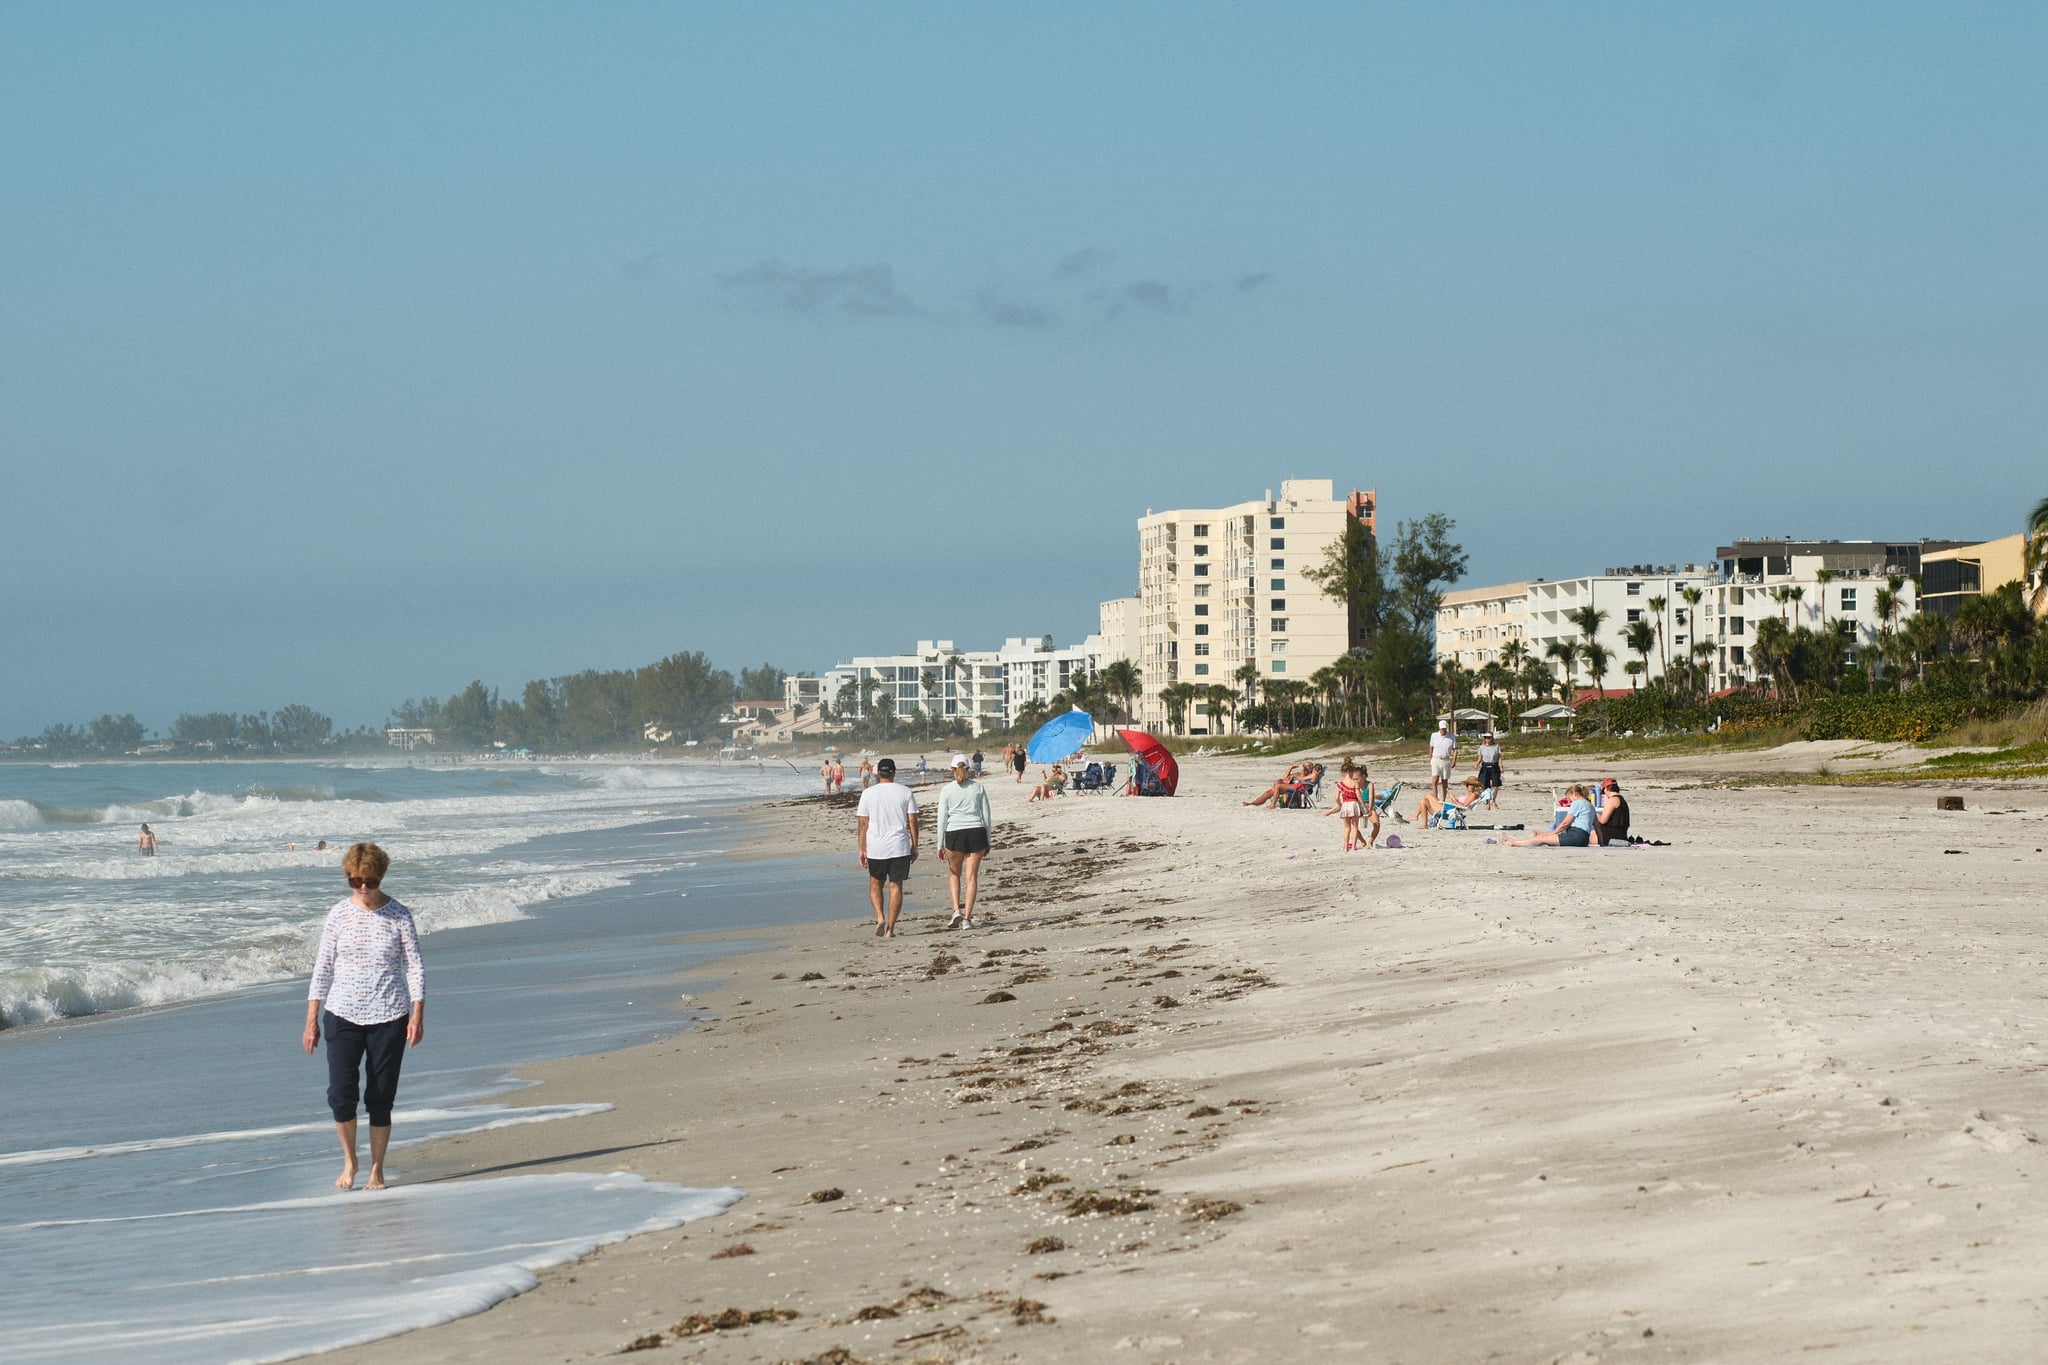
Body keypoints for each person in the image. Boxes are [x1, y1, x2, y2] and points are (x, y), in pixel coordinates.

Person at [302, 842, 424, 1191]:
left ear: (380, 876)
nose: (363, 888)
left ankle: (377, 1169)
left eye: (369, 880)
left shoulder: (399, 915)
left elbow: (414, 967)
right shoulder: (338, 914)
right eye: (355, 881)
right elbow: (322, 968)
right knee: (341, 1095)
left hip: (390, 1014)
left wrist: (418, 1014)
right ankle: (350, 1161)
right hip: (341, 1015)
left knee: (381, 1096)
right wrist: (311, 1020)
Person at [855, 758, 919, 937]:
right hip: (899, 846)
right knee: (895, 886)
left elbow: (863, 823)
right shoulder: (905, 792)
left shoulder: (868, 793)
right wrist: (915, 845)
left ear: (877, 773)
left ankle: (880, 917)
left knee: (875, 884)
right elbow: (912, 820)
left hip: (876, 846)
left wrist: (862, 849)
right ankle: (890, 929)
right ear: (894, 773)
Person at [936, 754, 993, 929]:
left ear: (952, 770)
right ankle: (967, 919)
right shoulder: (978, 787)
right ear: (968, 769)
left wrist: (939, 844)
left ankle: (956, 910)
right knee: (971, 878)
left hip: (955, 833)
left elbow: (942, 819)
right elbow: (987, 816)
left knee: (954, 873)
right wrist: (988, 840)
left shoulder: (946, 790)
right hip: (976, 832)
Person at [1504, 783, 1597, 848]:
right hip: (1584, 837)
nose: (1570, 801)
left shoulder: (1577, 803)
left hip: (1576, 836)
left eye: (1570, 799)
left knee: (1542, 839)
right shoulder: (1590, 805)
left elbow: (1565, 823)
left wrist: (1554, 832)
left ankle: (1515, 843)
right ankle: (1535, 836)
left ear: (1574, 794)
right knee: (1545, 837)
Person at [1324, 759, 1368, 851]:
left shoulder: (1340, 784)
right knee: (1354, 827)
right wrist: (1363, 806)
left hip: (1345, 804)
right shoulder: (1354, 782)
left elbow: (1336, 797)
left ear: (1343, 772)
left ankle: (1345, 847)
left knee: (1346, 827)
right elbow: (1358, 795)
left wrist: (1340, 805)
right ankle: (1353, 847)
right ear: (1351, 771)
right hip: (1354, 804)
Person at [1412, 776, 1485, 827]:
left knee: (1428, 795)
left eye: (1470, 785)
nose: (1468, 786)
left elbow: (1463, 806)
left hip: (1449, 812)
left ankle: (1416, 816)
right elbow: (1462, 805)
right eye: (1468, 785)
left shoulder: (1473, 795)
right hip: (1450, 809)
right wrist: (1455, 800)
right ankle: (1423, 824)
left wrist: (1453, 799)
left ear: (1474, 786)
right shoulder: (1471, 795)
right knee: (1423, 801)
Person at [1427, 721, 1459, 802]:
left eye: (1444, 729)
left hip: (1446, 760)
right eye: (1441, 729)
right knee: (1435, 779)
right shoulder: (1434, 735)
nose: (1443, 731)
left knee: (1444, 782)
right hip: (1436, 759)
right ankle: (1435, 799)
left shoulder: (1451, 736)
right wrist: (1430, 758)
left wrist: (1454, 760)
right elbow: (1431, 747)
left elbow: (1455, 749)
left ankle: (1443, 800)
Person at [1593, 778, 1631, 845]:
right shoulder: (1621, 799)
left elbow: (1603, 820)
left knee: (1594, 819)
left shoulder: (1612, 800)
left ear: (1606, 788)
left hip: (1611, 835)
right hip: (1622, 833)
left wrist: (1595, 814)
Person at [1476, 733, 1504, 806]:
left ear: (1492, 738)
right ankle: (1487, 802)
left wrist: (1501, 766)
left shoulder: (1496, 746)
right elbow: (1480, 757)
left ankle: (1493, 800)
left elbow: (1499, 757)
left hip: (1494, 766)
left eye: (1489, 738)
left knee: (1495, 785)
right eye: (1486, 738)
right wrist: (1477, 763)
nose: (1487, 739)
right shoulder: (1482, 747)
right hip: (1485, 766)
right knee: (1485, 786)